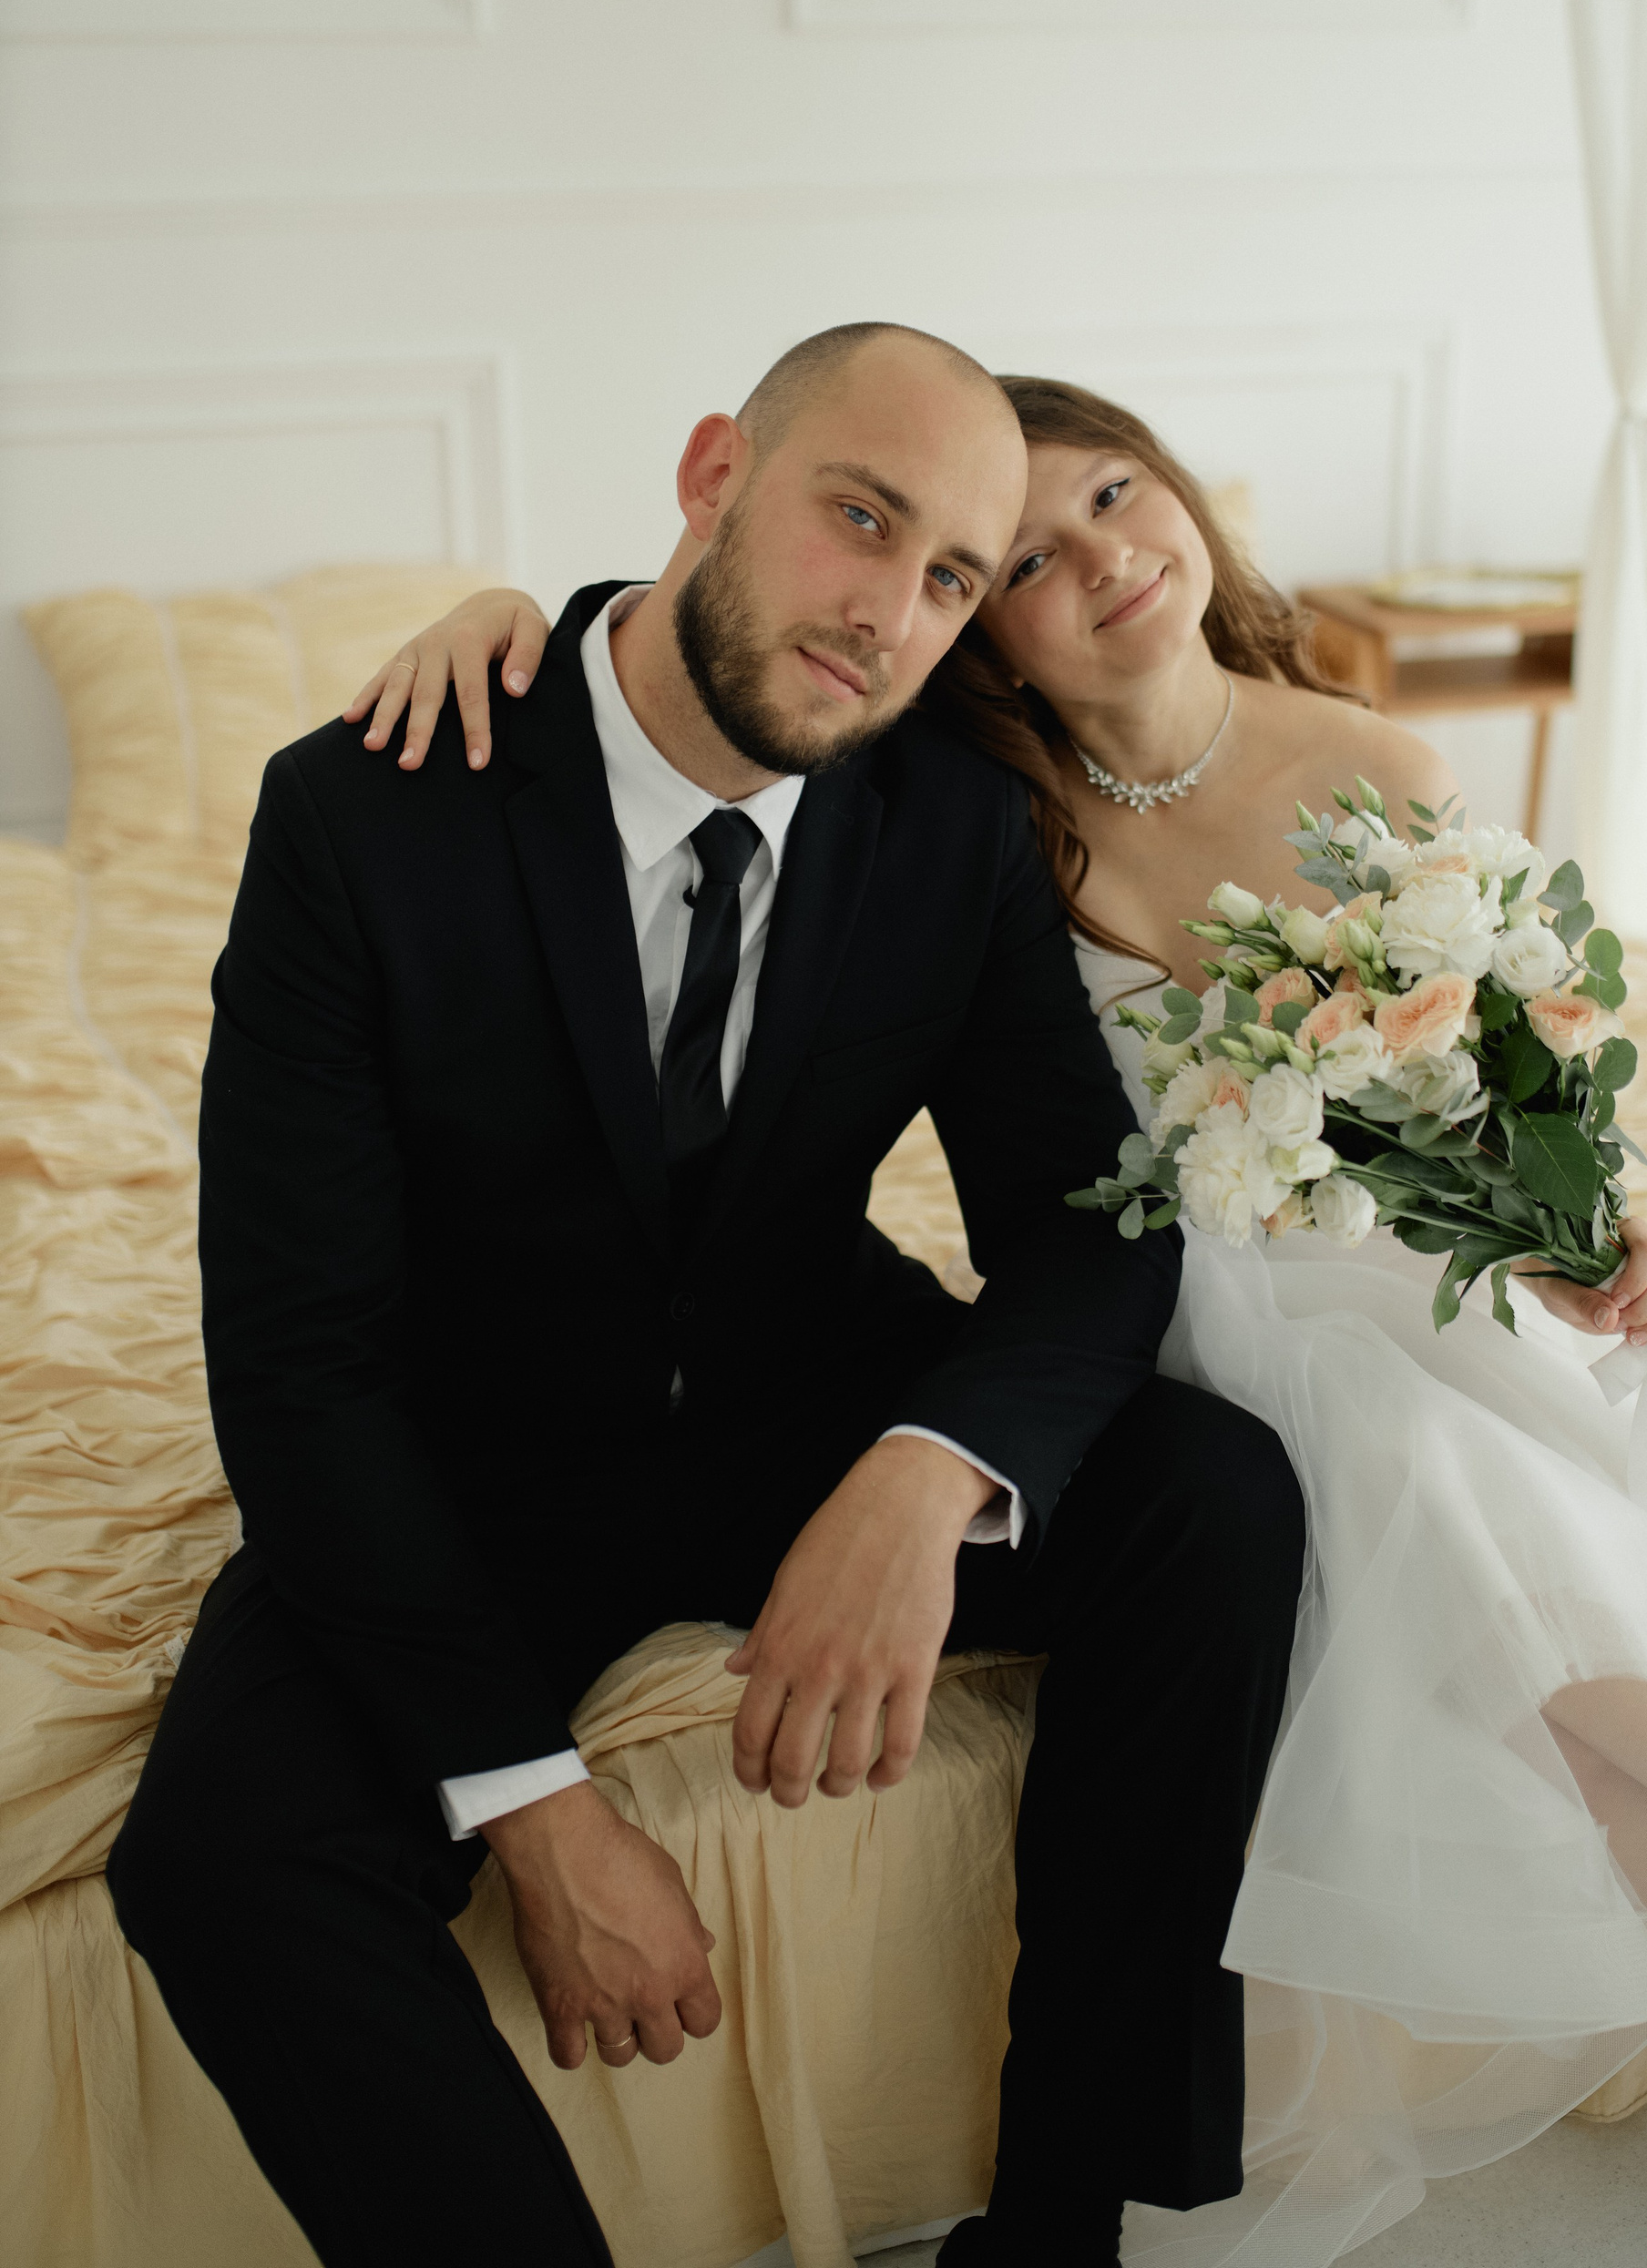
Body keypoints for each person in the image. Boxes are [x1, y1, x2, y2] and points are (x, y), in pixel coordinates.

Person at [373, 372, 1647, 2266]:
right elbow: (711, 668)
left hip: (1426, 1280)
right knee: (1399, 1461)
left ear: (1173, 483)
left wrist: (1589, 1222)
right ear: (977, 636)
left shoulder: (1383, 759)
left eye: (1112, 494)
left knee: (1580, 1459)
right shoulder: (981, 823)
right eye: (1019, 562)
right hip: (1203, 1307)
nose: (1100, 559)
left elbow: (1509, 1077)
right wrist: (501, 624)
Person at [106, 326, 1309, 2268]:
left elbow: (1091, 1227)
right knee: (218, 1862)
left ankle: (1058, 2229)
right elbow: (297, 1358)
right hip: (467, 1452)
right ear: (710, 475)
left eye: (950, 576)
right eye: (861, 518)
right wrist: (538, 1807)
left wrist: (928, 1470)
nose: (889, 615)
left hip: (803, 1389)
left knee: (1216, 1499)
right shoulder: (368, 809)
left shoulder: (948, 819)